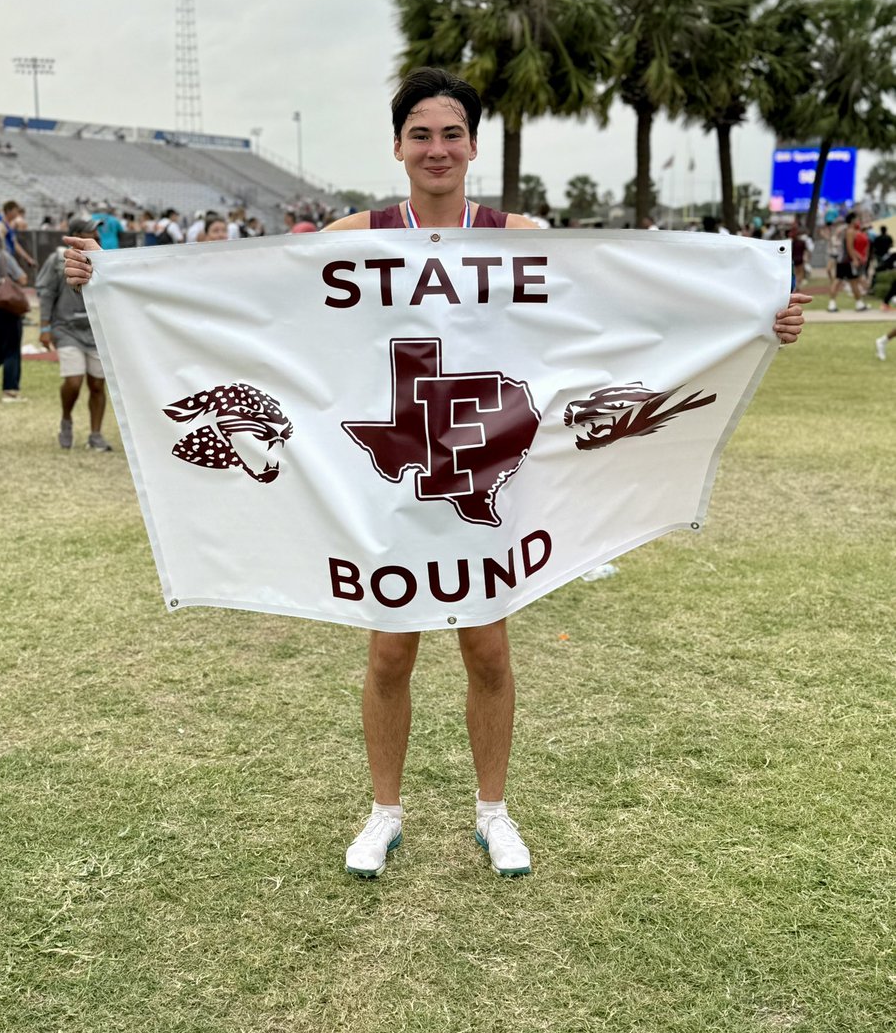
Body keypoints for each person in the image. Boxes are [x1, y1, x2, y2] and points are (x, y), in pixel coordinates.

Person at [63, 66, 810, 881]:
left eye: (451, 133)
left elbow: (629, 304)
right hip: (393, 478)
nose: (437, 148)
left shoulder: (518, 235)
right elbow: (246, 298)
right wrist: (114, 277)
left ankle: (494, 811)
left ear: (473, 145)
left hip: (484, 470)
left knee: (487, 651)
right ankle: (385, 811)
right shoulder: (357, 234)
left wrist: (756, 312)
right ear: (397, 146)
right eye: (421, 134)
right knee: (391, 655)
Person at [37, 217, 112, 451]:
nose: (98, 238)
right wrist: (44, 327)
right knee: (74, 381)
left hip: (95, 331)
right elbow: (47, 292)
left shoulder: (105, 260)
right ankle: (66, 419)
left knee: (98, 385)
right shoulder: (58, 260)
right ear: (77, 235)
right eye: (92, 233)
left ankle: (96, 434)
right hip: (66, 328)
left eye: (98, 235)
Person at [0, 241, 28, 402]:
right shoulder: (4, 257)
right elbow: (22, 279)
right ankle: (10, 390)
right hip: (4, 307)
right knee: (11, 350)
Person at [829, 211, 869, 312]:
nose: (859, 221)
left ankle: (858, 303)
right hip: (846, 260)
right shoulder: (850, 231)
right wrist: (855, 259)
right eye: (857, 219)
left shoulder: (847, 230)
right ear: (852, 220)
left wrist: (858, 256)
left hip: (843, 260)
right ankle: (858, 304)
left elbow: (851, 248)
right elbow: (849, 247)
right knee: (847, 281)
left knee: (847, 281)